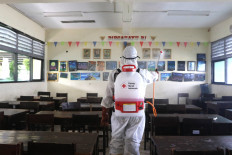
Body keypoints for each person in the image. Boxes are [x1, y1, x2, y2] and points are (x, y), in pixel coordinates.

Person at [101, 46, 158, 155]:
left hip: (118, 113)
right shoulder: (143, 73)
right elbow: (156, 76)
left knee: (117, 141)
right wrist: (156, 73)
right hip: (137, 114)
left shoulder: (114, 73)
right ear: (136, 58)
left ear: (122, 58)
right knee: (133, 142)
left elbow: (108, 96)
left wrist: (104, 115)